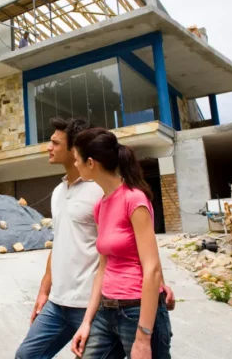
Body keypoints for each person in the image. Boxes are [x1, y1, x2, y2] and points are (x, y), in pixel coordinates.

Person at [15, 118, 174, 359]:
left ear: (81, 156)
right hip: (80, 304)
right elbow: (77, 250)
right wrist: (45, 289)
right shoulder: (75, 197)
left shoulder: (118, 194)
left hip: (116, 303)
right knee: (26, 355)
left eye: (56, 143)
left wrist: (157, 287)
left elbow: (145, 257)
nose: (48, 148)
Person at [70, 128, 172, 359]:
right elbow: (103, 267)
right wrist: (87, 322)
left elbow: (151, 267)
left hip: (137, 311)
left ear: (90, 163)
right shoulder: (101, 205)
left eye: (77, 160)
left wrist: (144, 337)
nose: (75, 165)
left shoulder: (134, 199)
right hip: (107, 312)